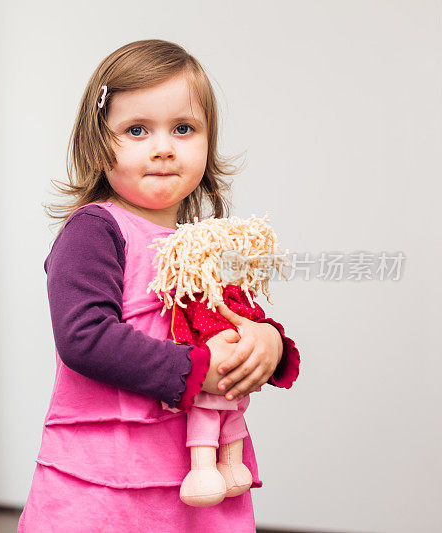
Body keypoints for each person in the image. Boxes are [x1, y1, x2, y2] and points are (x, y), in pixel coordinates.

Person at [18, 40, 301, 532]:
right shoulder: (95, 230)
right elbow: (84, 337)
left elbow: (229, 318)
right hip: (106, 480)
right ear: (96, 144)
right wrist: (195, 370)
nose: (164, 147)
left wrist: (268, 342)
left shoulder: (200, 243)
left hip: (197, 476)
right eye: (136, 130)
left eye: (184, 129)